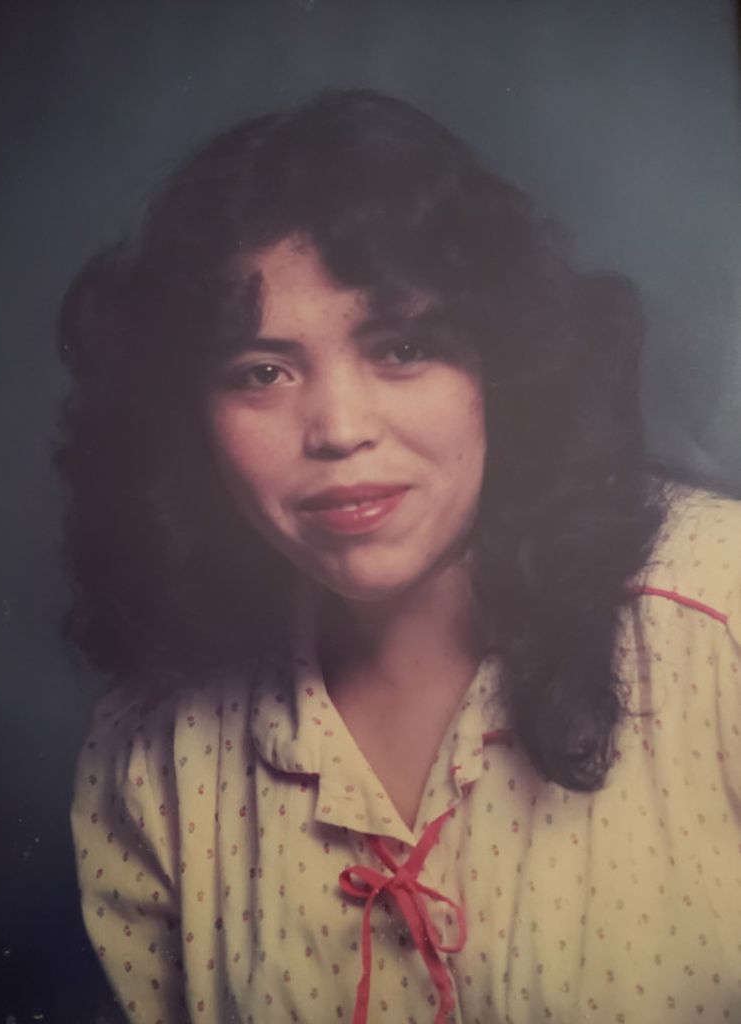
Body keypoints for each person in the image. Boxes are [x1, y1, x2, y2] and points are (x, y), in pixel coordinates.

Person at [60, 90, 741, 1024]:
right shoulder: (150, 751)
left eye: (403, 348)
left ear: (504, 368)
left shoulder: (718, 609)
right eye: (262, 372)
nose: (338, 429)